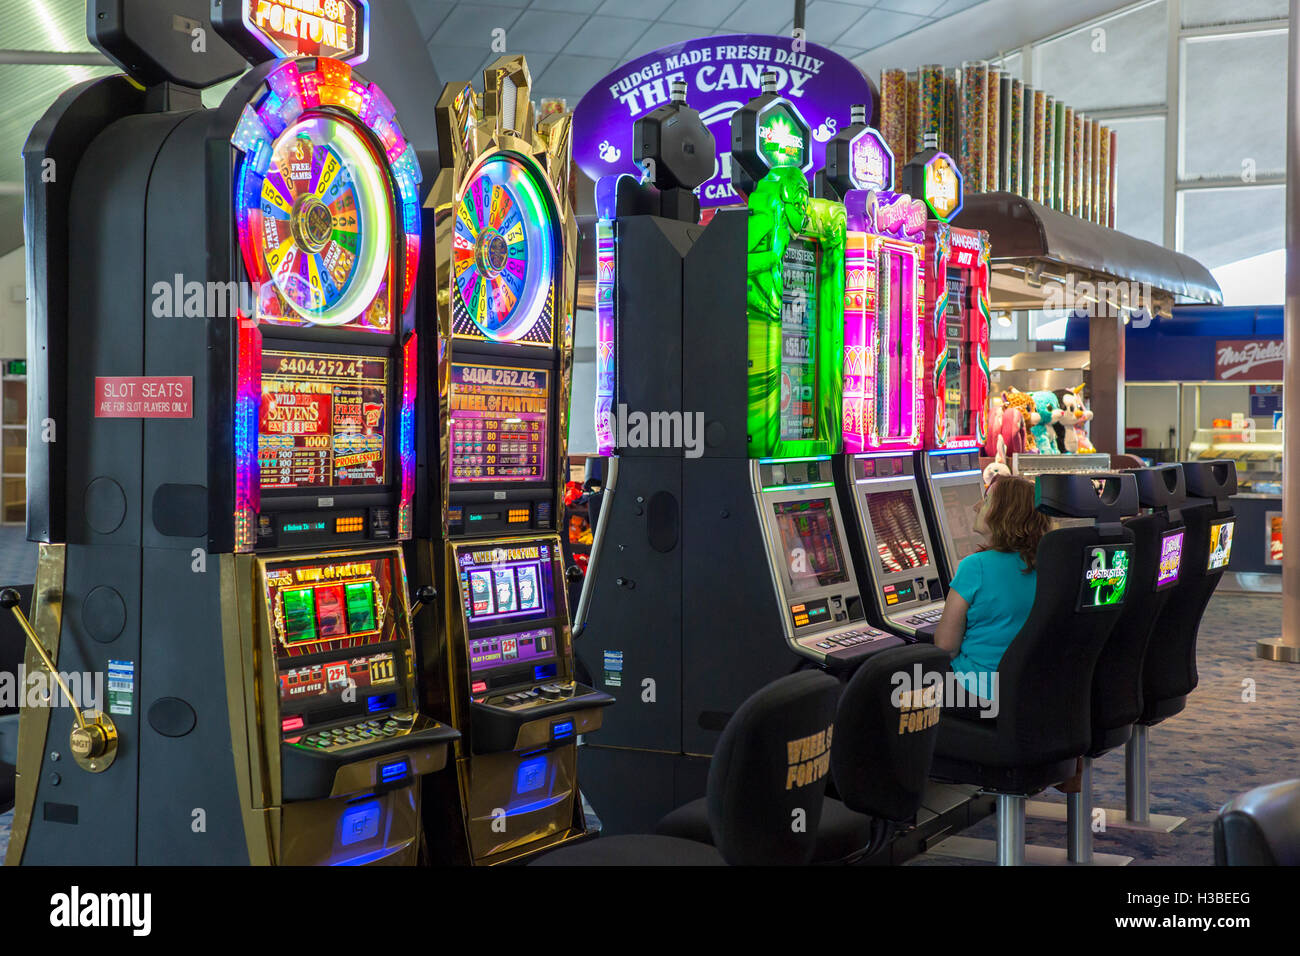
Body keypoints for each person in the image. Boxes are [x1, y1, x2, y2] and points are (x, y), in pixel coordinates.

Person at [932, 474, 1052, 713]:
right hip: (1031, 690)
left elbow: (946, 646)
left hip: (977, 692)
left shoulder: (975, 566)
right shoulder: (1049, 562)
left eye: (986, 501)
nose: (977, 506)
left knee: (896, 689)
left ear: (1005, 513)